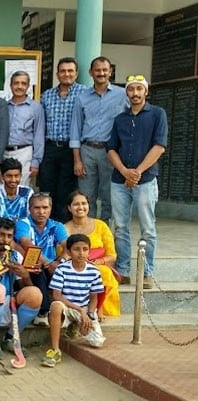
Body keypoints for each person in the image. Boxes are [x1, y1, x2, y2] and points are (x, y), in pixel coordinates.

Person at [107, 74, 167, 289]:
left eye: (138, 89)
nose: (135, 93)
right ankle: (123, 270)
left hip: (146, 179)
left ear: (146, 92)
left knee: (147, 227)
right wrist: (125, 172)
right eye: (131, 89)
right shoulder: (120, 119)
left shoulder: (157, 114)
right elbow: (111, 149)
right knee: (121, 227)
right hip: (119, 180)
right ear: (127, 93)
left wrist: (137, 173)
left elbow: (159, 146)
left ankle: (147, 272)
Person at [0, 218, 42, 357]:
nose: (5, 240)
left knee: (35, 294)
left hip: (9, 303)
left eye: (9, 236)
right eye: (1, 235)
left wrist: (25, 276)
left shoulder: (15, 255)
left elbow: (25, 287)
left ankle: (11, 338)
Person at [70, 56, 128, 221]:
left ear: (110, 72)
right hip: (87, 151)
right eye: (97, 70)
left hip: (111, 152)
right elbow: (76, 129)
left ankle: (105, 234)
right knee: (86, 196)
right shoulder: (82, 97)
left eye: (104, 70)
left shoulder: (123, 95)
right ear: (91, 72)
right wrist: (77, 160)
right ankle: (88, 236)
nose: (101, 73)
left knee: (109, 195)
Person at [43, 234, 106, 368]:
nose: (81, 253)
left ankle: (74, 326)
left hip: (84, 309)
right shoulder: (62, 269)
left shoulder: (94, 271)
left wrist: (89, 314)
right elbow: (57, 295)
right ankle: (55, 349)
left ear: (89, 251)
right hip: (67, 306)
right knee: (55, 306)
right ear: (69, 251)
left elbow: (94, 298)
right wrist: (80, 310)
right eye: (77, 249)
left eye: (85, 249)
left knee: (97, 341)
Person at [39, 57, 86, 222]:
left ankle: (63, 231)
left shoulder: (84, 94)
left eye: (70, 71)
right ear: (57, 74)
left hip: (72, 150)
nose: (67, 74)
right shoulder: (47, 96)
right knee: (47, 189)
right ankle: (46, 229)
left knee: (66, 192)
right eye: (63, 71)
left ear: (76, 73)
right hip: (50, 148)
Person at [15, 193, 69, 326]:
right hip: (28, 265)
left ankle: (71, 312)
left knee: (66, 269)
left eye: (45, 208)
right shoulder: (23, 223)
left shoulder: (57, 225)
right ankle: (43, 312)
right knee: (37, 270)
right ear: (30, 209)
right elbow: (26, 243)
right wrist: (47, 263)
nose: (41, 212)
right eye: (37, 208)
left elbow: (68, 246)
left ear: (50, 209)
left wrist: (59, 262)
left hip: (51, 266)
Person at [64, 191, 120, 317]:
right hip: (74, 267)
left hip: (97, 264)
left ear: (89, 205)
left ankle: (100, 309)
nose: (80, 207)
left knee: (103, 272)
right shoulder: (64, 228)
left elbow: (112, 255)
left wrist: (97, 262)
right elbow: (63, 254)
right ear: (69, 208)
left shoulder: (101, 226)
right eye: (76, 204)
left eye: (84, 203)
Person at [5, 70, 45, 187]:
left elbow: (39, 135)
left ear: (28, 86)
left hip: (24, 153)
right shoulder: (3, 106)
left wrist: (36, 162)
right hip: (4, 153)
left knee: (22, 188)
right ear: (10, 85)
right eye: (16, 83)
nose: (19, 86)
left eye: (23, 83)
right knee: (3, 188)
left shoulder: (36, 108)